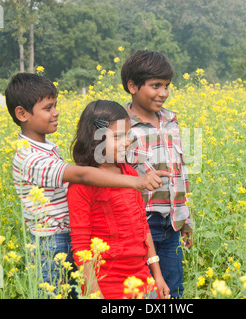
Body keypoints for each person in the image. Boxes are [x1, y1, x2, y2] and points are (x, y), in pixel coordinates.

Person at [5, 73, 168, 290]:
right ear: (22, 113)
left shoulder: (46, 148)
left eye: (55, 105)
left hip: (69, 239)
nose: (56, 112)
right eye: (48, 108)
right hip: (50, 244)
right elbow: (82, 175)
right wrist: (136, 182)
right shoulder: (28, 157)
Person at [67, 100, 170, 299]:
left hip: (143, 279)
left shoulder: (131, 174)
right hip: (107, 284)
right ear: (94, 139)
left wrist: (157, 275)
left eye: (128, 134)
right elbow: (81, 245)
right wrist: (93, 292)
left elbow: (143, 228)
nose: (127, 141)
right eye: (117, 136)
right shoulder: (81, 184)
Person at [121, 50, 194, 298]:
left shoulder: (172, 121)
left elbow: (181, 175)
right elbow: (111, 177)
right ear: (132, 86)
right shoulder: (121, 126)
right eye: (155, 86)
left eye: (167, 86)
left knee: (173, 289)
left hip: (172, 222)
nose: (163, 93)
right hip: (141, 222)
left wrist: (186, 219)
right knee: (145, 291)